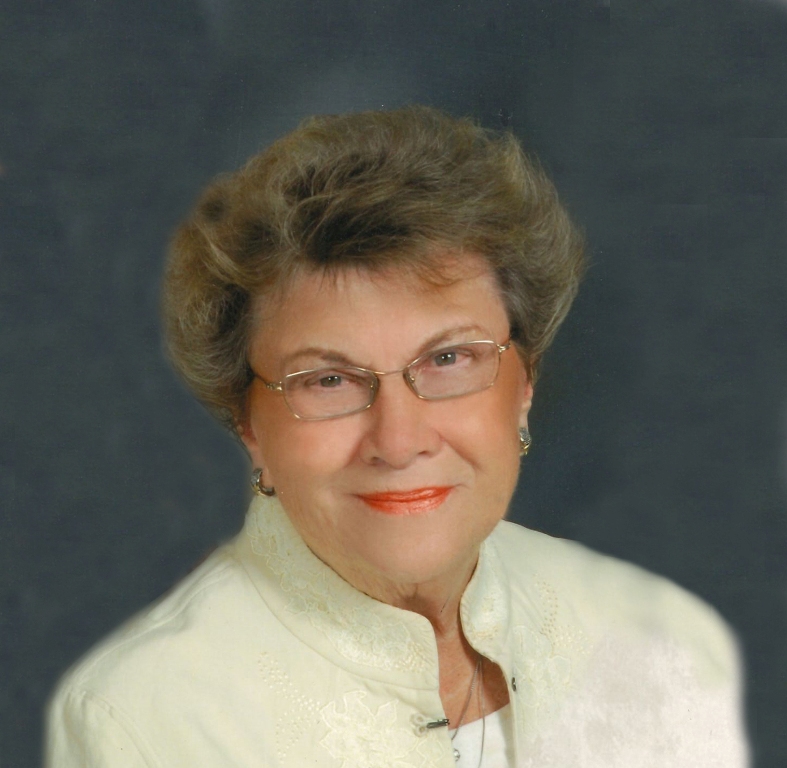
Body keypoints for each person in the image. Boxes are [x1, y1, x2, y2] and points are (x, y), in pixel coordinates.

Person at [45, 106, 749, 767]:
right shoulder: (146, 721)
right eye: (328, 380)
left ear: (525, 383)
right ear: (248, 424)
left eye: (448, 359)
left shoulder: (663, 644)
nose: (398, 440)